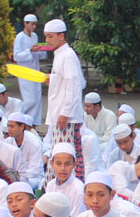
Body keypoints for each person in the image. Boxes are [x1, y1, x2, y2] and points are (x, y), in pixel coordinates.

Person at [43, 19, 88, 177]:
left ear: (61, 36)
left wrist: (65, 112)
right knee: (57, 155)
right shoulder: (60, 55)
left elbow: (75, 85)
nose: (47, 40)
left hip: (67, 118)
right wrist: (53, 79)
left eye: (50, 36)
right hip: (61, 116)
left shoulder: (67, 55)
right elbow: (77, 81)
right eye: (46, 37)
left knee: (66, 157)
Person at [12, 14, 43, 123]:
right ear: (26, 23)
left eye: (35, 24)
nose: (34, 27)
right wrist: (29, 51)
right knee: (30, 100)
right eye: (32, 24)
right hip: (25, 72)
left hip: (35, 70)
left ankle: (33, 124)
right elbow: (16, 56)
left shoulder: (34, 36)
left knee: (37, 98)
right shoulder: (19, 37)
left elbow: (39, 54)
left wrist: (41, 50)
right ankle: (23, 121)